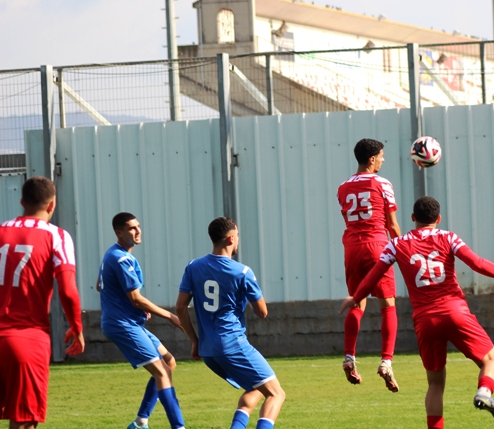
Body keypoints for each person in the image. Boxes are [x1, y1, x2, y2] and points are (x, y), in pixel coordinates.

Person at [339, 196, 494, 428]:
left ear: (413, 218)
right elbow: (476, 263)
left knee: (435, 384)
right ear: (438, 219)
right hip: (455, 312)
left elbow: (373, 276)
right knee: (490, 360)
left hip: (425, 321)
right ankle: (484, 392)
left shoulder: (396, 245)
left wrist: (356, 297)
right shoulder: (448, 237)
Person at [176, 217, 285, 429]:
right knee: (276, 393)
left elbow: (180, 307)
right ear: (231, 238)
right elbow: (262, 312)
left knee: (255, 388)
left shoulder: (193, 267)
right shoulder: (242, 272)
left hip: (208, 351)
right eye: (238, 236)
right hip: (232, 344)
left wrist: (195, 341)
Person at [0, 176, 84, 429]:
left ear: (22, 201)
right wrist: (77, 327)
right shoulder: (57, 236)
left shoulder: (1, 230)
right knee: (24, 420)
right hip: (25, 337)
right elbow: (68, 290)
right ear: (52, 205)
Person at [97, 212, 186, 429]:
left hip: (129, 321)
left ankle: (140, 422)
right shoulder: (121, 259)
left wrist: (132, 305)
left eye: (138, 226)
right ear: (119, 232)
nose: (138, 231)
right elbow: (136, 298)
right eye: (131, 228)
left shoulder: (113, 254)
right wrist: (170, 316)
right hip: (122, 324)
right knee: (162, 372)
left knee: (169, 362)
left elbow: (101, 285)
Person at [336, 138, 403, 391]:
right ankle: (386, 362)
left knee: (357, 301)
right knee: (388, 305)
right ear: (372, 159)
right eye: (381, 156)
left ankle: (349, 357)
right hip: (377, 246)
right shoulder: (382, 183)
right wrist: (403, 251)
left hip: (352, 248)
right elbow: (392, 224)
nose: (383, 160)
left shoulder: (343, 187)